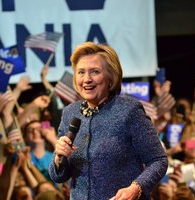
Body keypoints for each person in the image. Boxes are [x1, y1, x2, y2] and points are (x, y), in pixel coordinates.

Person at [49, 42, 168, 200]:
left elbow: (158, 160)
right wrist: (58, 158)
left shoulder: (129, 112)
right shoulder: (69, 113)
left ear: (111, 77)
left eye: (95, 72)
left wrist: (136, 188)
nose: (87, 79)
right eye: (81, 72)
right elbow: (59, 177)